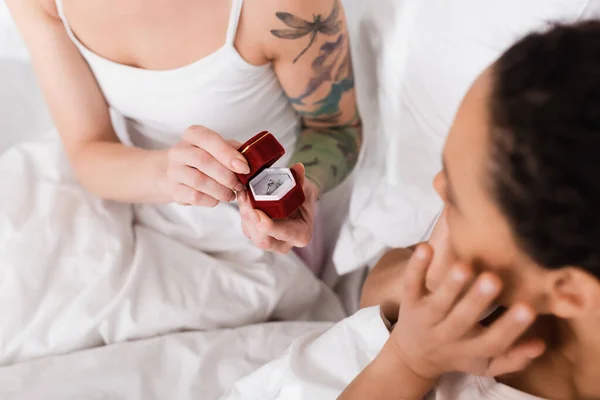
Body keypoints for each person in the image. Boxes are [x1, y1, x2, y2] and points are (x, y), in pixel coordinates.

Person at [342, 21, 600, 399]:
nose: (437, 186)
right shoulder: (501, 269)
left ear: (569, 291)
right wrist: (419, 295)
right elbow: (372, 299)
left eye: (457, 201)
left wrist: (410, 363)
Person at [6, 0, 361, 273]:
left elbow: (336, 129)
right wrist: (167, 174)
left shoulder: (280, 7)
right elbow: (87, 149)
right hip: (135, 192)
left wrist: (302, 190)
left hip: (262, 237)